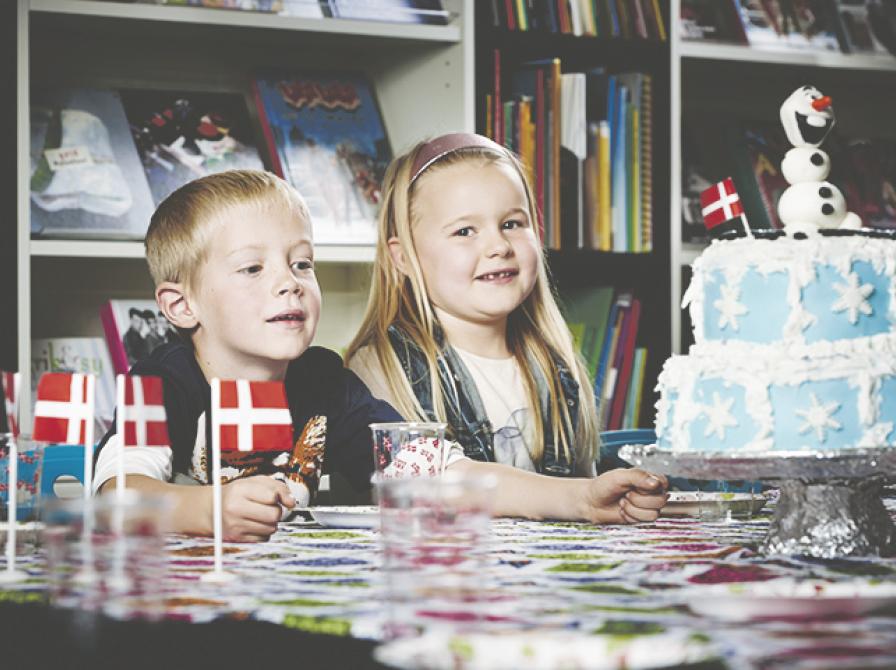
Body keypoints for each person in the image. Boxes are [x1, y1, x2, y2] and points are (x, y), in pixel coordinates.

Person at [346, 133, 667, 524]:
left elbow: (587, 494)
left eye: (512, 223)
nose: (498, 246)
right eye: (465, 231)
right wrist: (582, 499)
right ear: (404, 258)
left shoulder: (554, 364)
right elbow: (432, 484)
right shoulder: (384, 367)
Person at [93, 169, 412, 542]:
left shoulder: (326, 382)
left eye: (302, 264)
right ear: (181, 305)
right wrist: (210, 511)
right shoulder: (160, 383)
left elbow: (423, 467)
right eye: (252, 268)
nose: (289, 283)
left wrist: (486, 483)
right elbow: (116, 500)